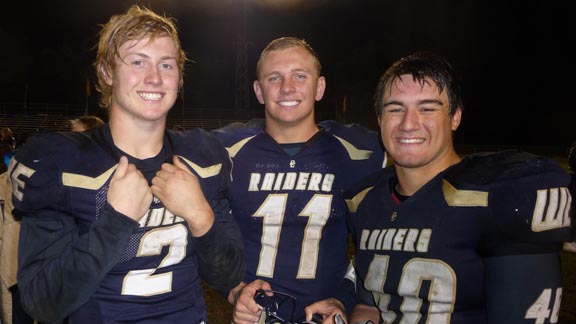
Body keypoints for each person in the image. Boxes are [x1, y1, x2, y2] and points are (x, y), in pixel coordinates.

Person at [8, 5, 244, 323]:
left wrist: (200, 215)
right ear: (107, 72)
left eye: (166, 64)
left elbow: (229, 275)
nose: (155, 78)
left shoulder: (201, 156)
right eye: (137, 61)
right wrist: (115, 223)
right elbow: (42, 303)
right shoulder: (61, 161)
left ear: (180, 76)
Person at [305, 51, 573, 324]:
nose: (408, 124)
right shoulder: (365, 201)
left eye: (428, 108)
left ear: (455, 117)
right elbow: (371, 305)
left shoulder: (499, 193)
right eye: (395, 109)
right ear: (380, 119)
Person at [212, 36, 386, 324]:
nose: (287, 88)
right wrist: (234, 290)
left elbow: (380, 247)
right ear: (258, 90)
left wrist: (344, 298)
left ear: (320, 87)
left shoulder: (362, 152)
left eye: (300, 76)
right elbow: (205, 238)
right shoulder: (225, 150)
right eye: (274, 78)